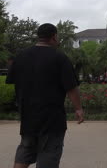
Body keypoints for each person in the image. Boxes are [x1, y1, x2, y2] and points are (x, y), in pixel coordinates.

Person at [6, 23, 84, 168]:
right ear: (54, 37)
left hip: (28, 116)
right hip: (51, 118)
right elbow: (71, 88)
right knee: (48, 154)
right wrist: (78, 109)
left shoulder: (21, 56)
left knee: (25, 151)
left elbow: (14, 82)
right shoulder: (59, 58)